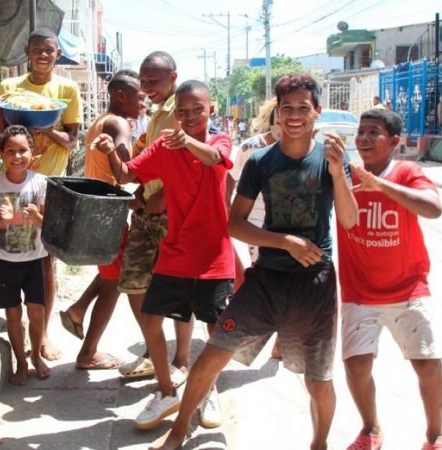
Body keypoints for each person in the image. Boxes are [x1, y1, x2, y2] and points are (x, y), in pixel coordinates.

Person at [151, 73, 358, 450]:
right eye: (287, 108)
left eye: (303, 108)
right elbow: (236, 223)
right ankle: (178, 430)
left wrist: (337, 175)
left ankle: (320, 444)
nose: (294, 115)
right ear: (277, 113)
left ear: (317, 112)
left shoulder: (331, 158)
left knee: (319, 379)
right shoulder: (261, 161)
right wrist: (284, 241)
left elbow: (348, 219)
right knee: (215, 352)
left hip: (315, 285)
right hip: (266, 280)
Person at [94, 79, 235, 431]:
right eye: (183, 111)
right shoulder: (164, 146)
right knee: (153, 322)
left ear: (210, 108)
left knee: (216, 330)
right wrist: (110, 150)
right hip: (174, 254)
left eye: (197, 109)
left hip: (213, 256)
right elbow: (127, 174)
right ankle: (167, 390)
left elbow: (215, 159)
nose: (189, 116)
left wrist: (186, 140)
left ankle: (208, 389)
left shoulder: (219, 140)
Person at [338, 109, 442, 450]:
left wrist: (379, 185)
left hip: (408, 290)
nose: (364, 139)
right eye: (361, 132)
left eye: (374, 133)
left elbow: (433, 208)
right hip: (359, 293)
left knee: (427, 364)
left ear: (395, 142)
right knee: (357, 367)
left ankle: (435, 435)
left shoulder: (406, 171)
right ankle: (371, 429)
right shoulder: (343, 175)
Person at [0, 27, 83, 361]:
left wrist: (47, 131)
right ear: (26, 53)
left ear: (57, 55)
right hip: (14, 185)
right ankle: (18, 327)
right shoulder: (9, 88)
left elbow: (73, 141)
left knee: (47, 263)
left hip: (50, 185)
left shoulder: (68, 89)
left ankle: (42, 336)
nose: (43, 55)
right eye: (37, 50)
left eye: (49, 50)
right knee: (11, 254)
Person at [114, 51, 194, 388]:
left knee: (178, 289)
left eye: (154, 81)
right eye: (143, 82)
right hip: (148, 209)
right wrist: (145, 191)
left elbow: (188, 159)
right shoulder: (156, 113)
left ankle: (182, 360)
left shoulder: (182, 110)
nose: (147, 88)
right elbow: (152, 160)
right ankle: (154, 349)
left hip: (173, 213)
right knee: (133, 279)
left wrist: (163, 196)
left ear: (172, 78)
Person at [59, 70, 144, 369]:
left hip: (99, 210)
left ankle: (78, 311)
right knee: (119, 279)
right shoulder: (119, 123)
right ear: (121, 95)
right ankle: (88, 352)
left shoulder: (100, 122)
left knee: (114, 277)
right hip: (108, 214)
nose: (144, 102)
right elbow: (125, 168)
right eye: (140, 96)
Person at [0, 125, 50, 384]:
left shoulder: (40, 183)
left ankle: (35, 356)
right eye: (11, 151)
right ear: (1, 154)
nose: (17, 156)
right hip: (5, 263)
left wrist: (37, 217)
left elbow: (48, 225)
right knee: (12, 315)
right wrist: (0, 221)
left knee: (36, 313)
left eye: (23, 150)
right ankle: (21, 362)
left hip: (34, 261)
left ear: (32, 152)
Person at [225, 97, 283, 360]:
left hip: (289, 227)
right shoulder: (251, 148)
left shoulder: (300, 150)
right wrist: (225, 212)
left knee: (285, 283)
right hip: (255, 228)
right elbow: (231, 178)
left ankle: (281, 337)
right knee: (265, 281)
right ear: (272, 118)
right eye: (282, 114)